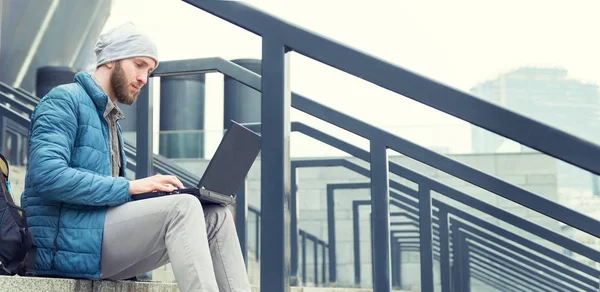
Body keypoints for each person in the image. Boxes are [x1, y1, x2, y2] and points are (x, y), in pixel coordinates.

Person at [21, 22, 250, 292]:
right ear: (110, 60)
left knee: (216, 214)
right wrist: (131, 186)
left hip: (95, 240)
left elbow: (106, 195)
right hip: (62, 244)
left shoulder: (110, 120)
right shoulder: (63, 100)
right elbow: (47, 176)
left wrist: (151, 194)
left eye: (149, 71)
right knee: (183, 207)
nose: (144, 78)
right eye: (139, 64)